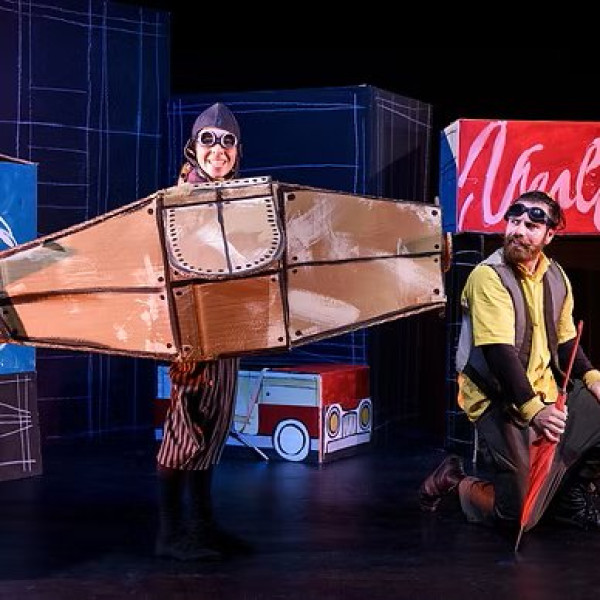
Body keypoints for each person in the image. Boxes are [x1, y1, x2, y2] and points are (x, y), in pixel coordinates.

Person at [419, 190, 600, 533]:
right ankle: (455, 481)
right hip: (497, 396)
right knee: (518, 517)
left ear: (549, 235)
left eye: (531, 226)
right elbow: (498, 354)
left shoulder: (556, 276)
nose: (518, 231)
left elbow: (565, 341)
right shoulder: (489, 277)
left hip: (542, 390)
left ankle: (567, 503)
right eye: (514, 222)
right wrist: (535, 411)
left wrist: (592, 377)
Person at [155, 102, 250, 561]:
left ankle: (203, 526)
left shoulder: (238, 199)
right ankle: (170, 533)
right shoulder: (181, 198)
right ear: (193, 147)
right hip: (193, 333)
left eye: (227, 141)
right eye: (208, 140)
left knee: (213, 427)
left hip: (226, 329)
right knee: (185, 429)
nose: (218, 149)